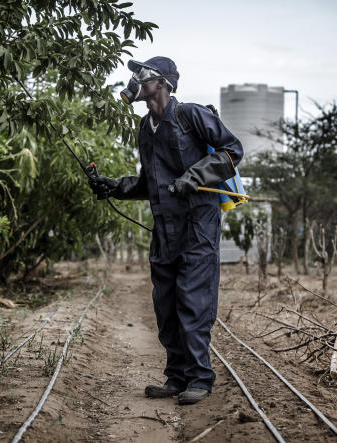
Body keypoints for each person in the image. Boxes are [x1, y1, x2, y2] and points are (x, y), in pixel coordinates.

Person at [89, 56, 243, 404]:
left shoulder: (190, 115)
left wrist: (195, 176)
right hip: (164, 229)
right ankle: (176, 377)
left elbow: (232, 150)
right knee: (167, 305)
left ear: (162, 82)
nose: (136, 81)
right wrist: (113, 186)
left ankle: (200, 378)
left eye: (142, 75)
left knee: (193, 301)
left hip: (197, 226)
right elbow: (151, 182)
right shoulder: (146, 128)